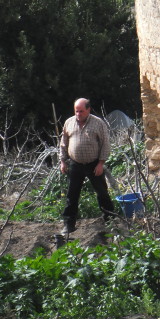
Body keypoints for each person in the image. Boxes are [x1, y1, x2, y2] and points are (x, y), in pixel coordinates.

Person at [59, 98, 114, 236]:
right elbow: (63, 143)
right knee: (72, 195)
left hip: (94, 164)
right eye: (76, 111)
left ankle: (110, 219)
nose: (78, 114)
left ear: (88, 110)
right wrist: (63, 161)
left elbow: (105, 144)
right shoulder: (69, 123)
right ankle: (68, 224)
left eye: (81, 111)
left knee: (102, 193)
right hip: (75, 164)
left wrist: (101, 163)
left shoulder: (98, 123)